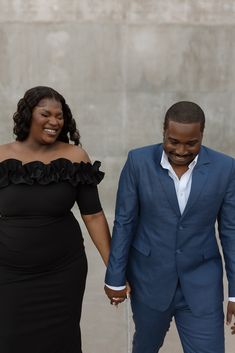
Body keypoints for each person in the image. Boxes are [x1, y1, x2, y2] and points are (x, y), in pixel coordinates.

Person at [104, 101, 235, 353]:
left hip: (202, 283)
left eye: (191, 143)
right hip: (149, 279)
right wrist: (115, 277)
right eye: (173, 141)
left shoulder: (225, 168)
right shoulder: (138, 162)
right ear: (163, 131)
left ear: (202, 135)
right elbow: (124, 222)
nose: (181, 150)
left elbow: (230, 231)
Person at [0, 86, 111, 353]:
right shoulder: (2, 156)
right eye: (45, 114)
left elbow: (94, 215)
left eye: (59, 116)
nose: (54, 121)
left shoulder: (74, 157)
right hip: (8, 273)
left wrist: (115, 268)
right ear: (28, 115)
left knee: (61, 342)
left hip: (63, 273)